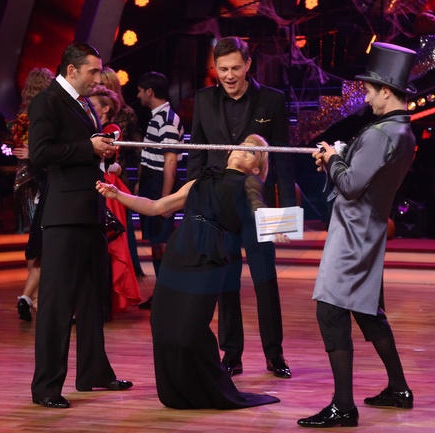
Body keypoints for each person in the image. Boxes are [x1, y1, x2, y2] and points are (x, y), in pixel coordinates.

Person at [96, 134, 285, 409]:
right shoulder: (200, 181)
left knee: (189, 330)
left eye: (251, 152)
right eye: (242, 146)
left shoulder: (249, 182)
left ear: (256, 168)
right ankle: (178, 390)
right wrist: (117, 194)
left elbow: (258, 208)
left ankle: (208, 388)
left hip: (211, 254)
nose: (243, 150)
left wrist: (278, 225)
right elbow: (156, 207)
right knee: (162, 322)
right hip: (180, 251)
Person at [298, 42, 417, 428]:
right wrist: (336, 160)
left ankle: (343, 406)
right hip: (370, 229)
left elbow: (350, 186)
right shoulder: (402, 131)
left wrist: (333, 158)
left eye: (369, 90)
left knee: (330, 311)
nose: (365, 97)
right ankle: (398, 388)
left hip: (353, 234)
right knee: (367, 312)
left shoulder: (383, 133)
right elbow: (361, 177)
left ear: (386, 91)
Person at [27, 42, 132, 409]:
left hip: (90, 211)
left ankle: (94, 372)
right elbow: (40, 154)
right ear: (71, 70)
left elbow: (80, 148)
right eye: (92, 71)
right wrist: (90, 148)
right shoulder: (48, 102)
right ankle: (46, 387)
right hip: (64, 216)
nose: (97, 78)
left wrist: (101, 151)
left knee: (92, 298)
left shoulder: (83, 103)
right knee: (57, 304)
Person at [186, 36, 294, 379]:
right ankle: (231, 354)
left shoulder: (272, 100)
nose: (229, 76)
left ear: (248, 65)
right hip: (217, 207)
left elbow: (284, 161)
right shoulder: (203, 99)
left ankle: (275, 354)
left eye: (235, 68)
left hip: (256, 205)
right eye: (222, 69)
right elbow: (197, 155)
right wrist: (193, 208)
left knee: (266, 280)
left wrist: (285, 217)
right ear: (214, 69)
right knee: (226, 282)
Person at [89, 84, 141, 315]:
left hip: (108, 187)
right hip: (100, 183)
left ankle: (105, 304)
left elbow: (104, 158)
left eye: (94, 105)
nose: (89, 108)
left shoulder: (111, 129)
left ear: (106, 108)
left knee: (110, 243)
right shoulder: (93, 127)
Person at [135, 71, 184, 308]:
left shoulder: (168, 119)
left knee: (162, 241)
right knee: (156, 241)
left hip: (159, 185)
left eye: (140, 91)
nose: (138, 95)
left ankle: (168, 295)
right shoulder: (158, 117)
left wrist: (166, 198)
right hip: (151, 184)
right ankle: (162, 294)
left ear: (149, 92)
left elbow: (171, 161)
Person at [11, 67, 55, 321]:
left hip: (22, 180)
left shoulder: (23, 115)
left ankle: (34, 296)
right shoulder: (43, 114)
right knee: (41, 239)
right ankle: (34, 296)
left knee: (34, 240)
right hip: (37, 179)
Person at [99, 67, 146, 281]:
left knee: (122, 229)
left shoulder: (126, 113)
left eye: (102, 83)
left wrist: (139, 177)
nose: (97, 86)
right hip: (103, 174)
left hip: (118, 176)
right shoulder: (91, 113)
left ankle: (129, 272)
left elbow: (137, 148)